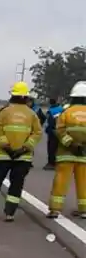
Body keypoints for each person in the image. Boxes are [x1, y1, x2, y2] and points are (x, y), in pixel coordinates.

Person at [0, 81, 42, 222]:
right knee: (16, 185)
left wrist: (6, 146)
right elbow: (37, 133)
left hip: (3, 155)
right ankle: (10, 213)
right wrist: (25, 148)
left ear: (12, 95)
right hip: (23, 157)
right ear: (26, 97)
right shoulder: (32, 114)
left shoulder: (4, 112)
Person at [47, 81, 86, 218]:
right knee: (84, 183)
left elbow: (59, 131)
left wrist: (71, 144)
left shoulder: (66, 112)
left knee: (61, 181)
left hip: (66, 154)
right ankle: (84, 210)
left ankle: (55, 210)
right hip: (84, 155)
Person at [43, 97, 64, 170]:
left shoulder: (51, 111)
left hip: (53, 132)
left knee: (51, 148)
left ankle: (51, 163)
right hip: (61, 131)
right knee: (59, 148)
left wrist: (48, 130)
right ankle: (59, 163)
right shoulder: (61, 109)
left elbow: (50, 122)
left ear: (50, 103)